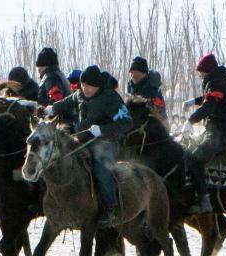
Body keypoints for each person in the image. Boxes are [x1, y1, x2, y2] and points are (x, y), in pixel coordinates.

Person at [45, 65, 132, 227]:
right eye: (83, 85)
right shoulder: (80, 94)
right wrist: (53, 108)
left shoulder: (110, 98)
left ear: (98, 86)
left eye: (89, 86)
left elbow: (127, 122)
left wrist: (102, 130)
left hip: (106, 142)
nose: (85, 89)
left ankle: (111, 208)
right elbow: (68, 102)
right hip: (82, 140)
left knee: (100, 168)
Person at [181, 53, 226, 214]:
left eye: (200, 71)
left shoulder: (216, 82)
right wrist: (194, 101)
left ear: (206, 70)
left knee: (193, 159)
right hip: (215, 130)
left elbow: (210, 105)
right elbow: (210, 98)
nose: (199, 75)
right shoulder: (218, 80)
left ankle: (203, 199)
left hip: (220, 133)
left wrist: (191, 120)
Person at [126, 56, 167, 122]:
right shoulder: (130, 87)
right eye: (132, 73)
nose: (133, 76)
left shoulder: (153, 88)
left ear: (144, 74)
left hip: (154, 123)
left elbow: (159, 110)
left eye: (136, 73)